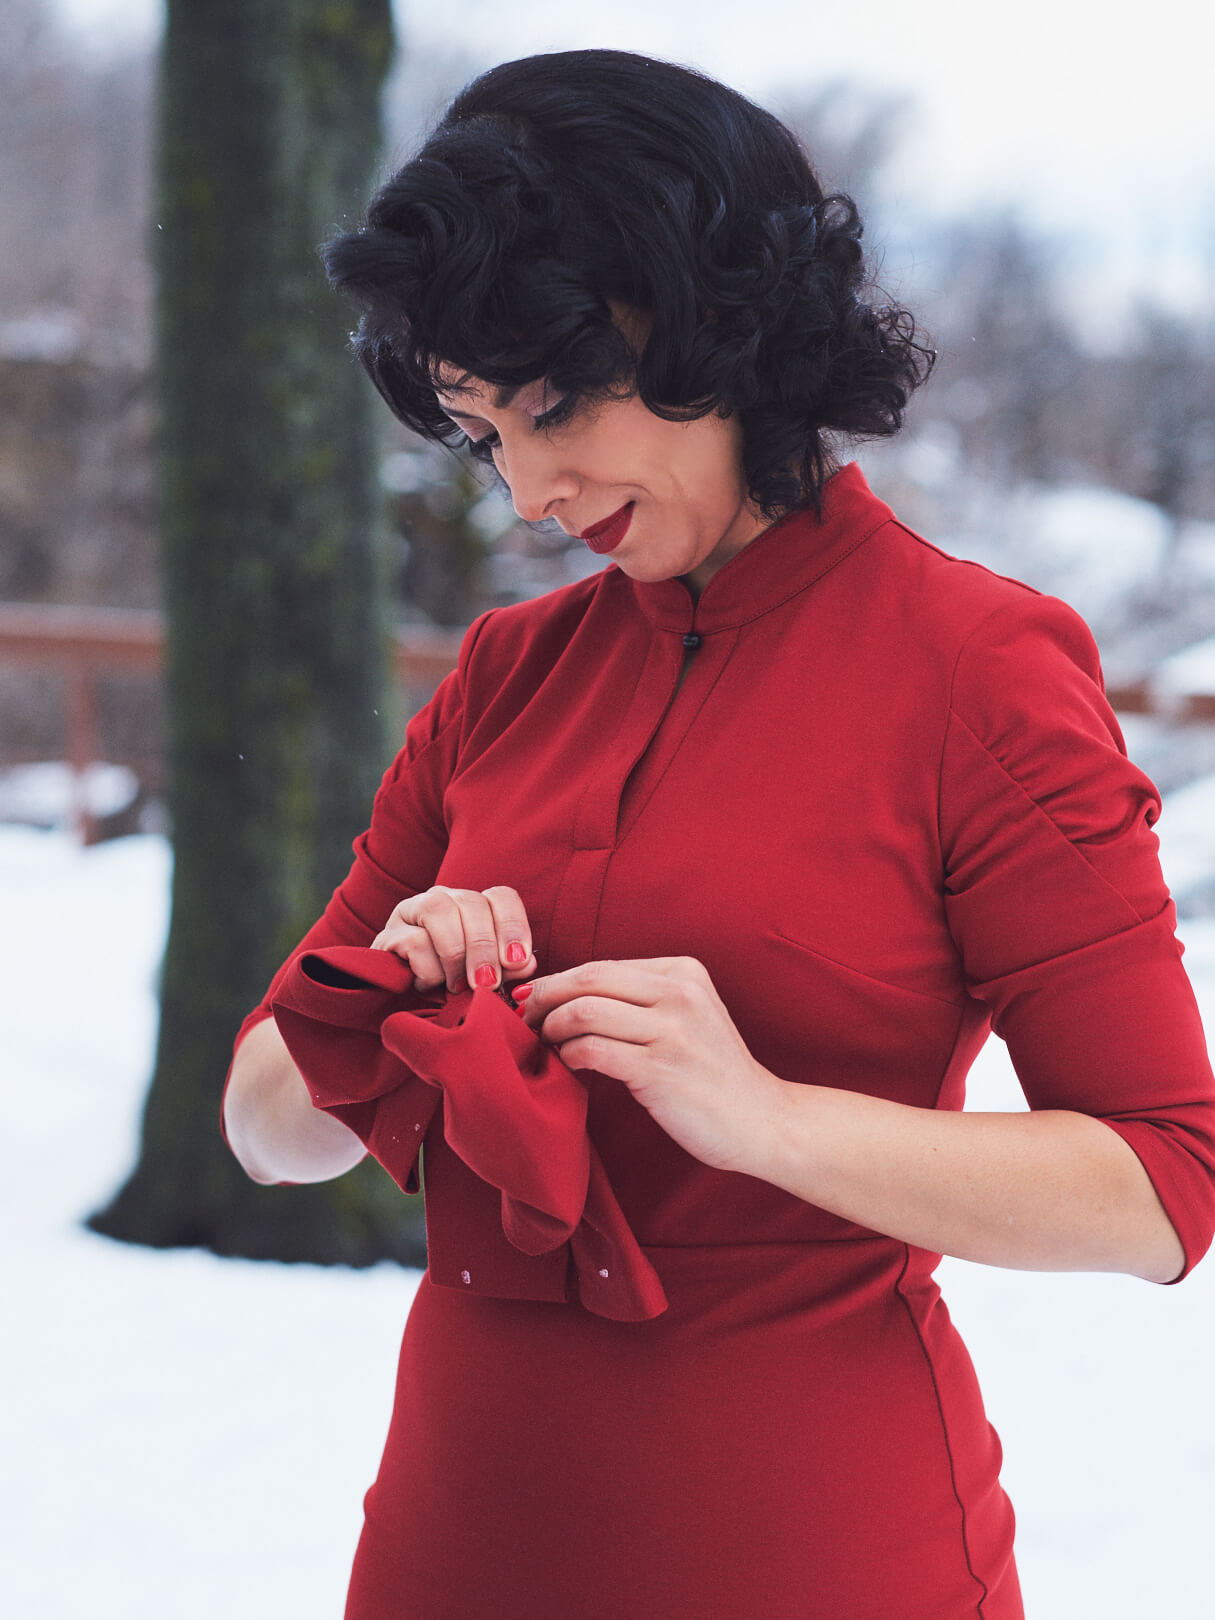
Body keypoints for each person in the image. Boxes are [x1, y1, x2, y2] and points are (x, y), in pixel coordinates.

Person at [221, 48, 1215, 1620]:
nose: (531, 489)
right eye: (486, 435)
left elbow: (1163, 1192)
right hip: (450, 1542)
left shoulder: (978, 670)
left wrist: (760, 1117)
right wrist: (389, 991)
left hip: (818, 1547)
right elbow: (266, 1129)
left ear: (718, 323)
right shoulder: (504, 678)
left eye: (556, 403)